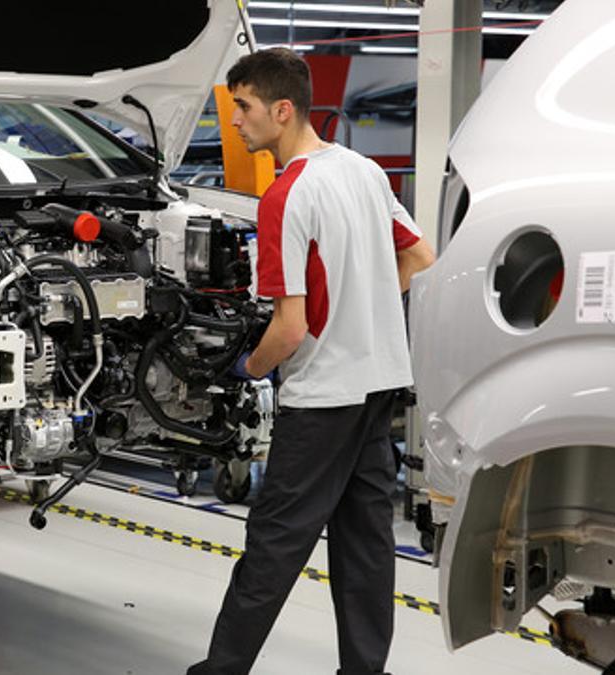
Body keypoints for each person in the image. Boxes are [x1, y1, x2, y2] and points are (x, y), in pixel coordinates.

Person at [188, 48, 436, 675]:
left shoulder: (285, 194)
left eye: (241, 107)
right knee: (367, 546)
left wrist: (242, 368)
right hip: (380, 384)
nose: (234, 122)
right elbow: (418, 257)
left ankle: (220, 671)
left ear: (281, 109)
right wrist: (362, 308)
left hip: (323, 396)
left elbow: (290, 329)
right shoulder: (363, 170)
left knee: (274, 543)